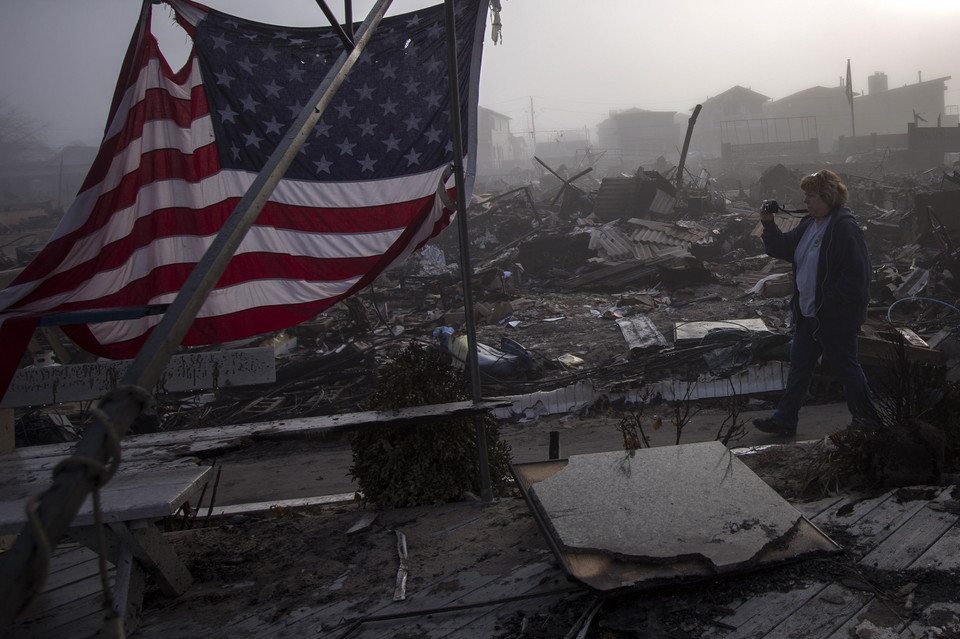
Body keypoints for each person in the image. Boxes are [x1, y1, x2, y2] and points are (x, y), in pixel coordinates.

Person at [753, 169, 879, 436]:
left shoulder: (844, 228)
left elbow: (858, 277)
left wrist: (829, 302)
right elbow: (783, 248)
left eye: (811, 196)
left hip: (834, 318)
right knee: (799, 369)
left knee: (847, 370)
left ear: (828, 197)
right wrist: (768, 224)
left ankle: (868, 422)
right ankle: (785, 419)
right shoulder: (809, 225)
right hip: (809, 315)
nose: (806, 201)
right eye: (806, 196)